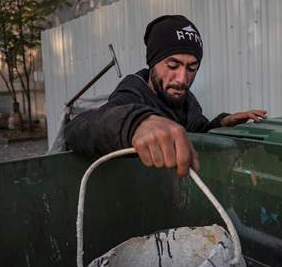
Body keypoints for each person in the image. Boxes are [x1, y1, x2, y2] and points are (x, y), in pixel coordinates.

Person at [65, 15, 267, 176]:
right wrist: (135, 123)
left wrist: (223, 122)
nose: (182, 79)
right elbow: (77, 130)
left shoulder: (187, 99)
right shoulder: (132, 93)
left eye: (192, 68)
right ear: (152, 63)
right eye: (172, 65)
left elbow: (196, 130)